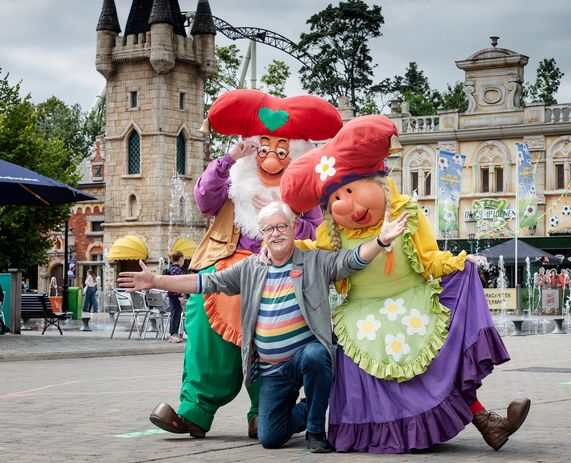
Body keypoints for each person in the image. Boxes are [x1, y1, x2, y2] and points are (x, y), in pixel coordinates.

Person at [281, 115, 530, 453]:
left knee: (438, 366)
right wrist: (281, 242)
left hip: (412, 306)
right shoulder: (330, 236)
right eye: (338, 197)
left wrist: (458, 262)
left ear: (379, 183)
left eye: (353, 190)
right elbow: (311, 256)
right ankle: (477, 425)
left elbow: (429, 259)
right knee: (361, 371)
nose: (350, 204)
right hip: (362, 318)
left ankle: (487, 422)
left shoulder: (406, 216)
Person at [119, 201, 409, 453]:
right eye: (269, 229)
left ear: (293, 228)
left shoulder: (313, 261)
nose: (276, 233)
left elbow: (351, 260)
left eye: (281, 226)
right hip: (271, 371)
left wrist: (381, 241)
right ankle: (309, 406)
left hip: (303, 359)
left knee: (316, 355)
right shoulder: (250, 269)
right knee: (270, 438)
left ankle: (316, 430)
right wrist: (157, 281)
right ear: (262, 235)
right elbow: (204, 283)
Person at [147, 89, 341, 439]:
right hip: (223, 266)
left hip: (274, 273)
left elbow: (316, 231)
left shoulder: (301, 193)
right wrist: (228, 159)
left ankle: (264, 412)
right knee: (206, 333)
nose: (270, 157)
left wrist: (287, 213)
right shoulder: (233, 178)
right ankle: (194, 411)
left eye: (281, 149)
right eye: (263, 147)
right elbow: (204, 199)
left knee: (274, 336)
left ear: (293, 153)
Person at [165, 251, 186, 343]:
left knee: (175, 313)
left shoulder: (171, 269)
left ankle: (173, 333)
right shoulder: (177, 270)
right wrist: (180, 295)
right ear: (180, 259)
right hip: (175, 295)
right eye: (183, 260)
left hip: (171, 294)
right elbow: (177, 284)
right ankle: (173, 334)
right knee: (176, 314)